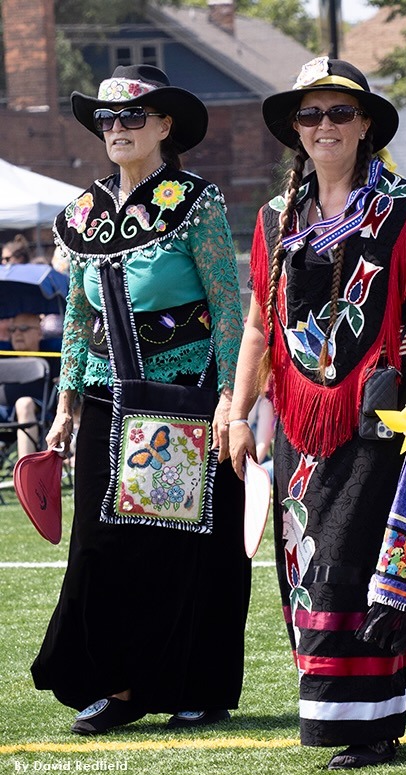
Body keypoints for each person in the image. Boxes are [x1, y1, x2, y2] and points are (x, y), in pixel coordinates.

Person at [228, 57, 406, 769]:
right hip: (299, 417)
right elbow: (260, 328)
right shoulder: (276, 217)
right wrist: (238, 414)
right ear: (296, 130)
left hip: (381, 410)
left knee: (353, 564)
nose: (324, 125)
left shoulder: (402, 206)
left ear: (364, 125)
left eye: (338, 113)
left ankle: (367, 726)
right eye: (310, 115)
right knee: (304, 564)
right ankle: (362, 717)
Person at [31, 64, 251, 735]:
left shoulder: (196, 201)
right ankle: (118, 687)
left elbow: (228, 305)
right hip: (104, 398)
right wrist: (66, 404)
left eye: (132, 118)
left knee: (184, 548)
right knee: (101, 546)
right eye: (107, 120)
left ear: (165, 127)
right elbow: (74, 315)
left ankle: (197, 686)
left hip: (185, 395)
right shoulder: (81, 214)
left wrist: (228, 402)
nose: (118, 129)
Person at [0, 313, 60, 458]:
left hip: (39, 413)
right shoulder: (3, 354)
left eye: (24, 328)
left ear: (39, 333)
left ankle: (26, 476)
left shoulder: (54, 356)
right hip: (4, 413)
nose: (17, 334)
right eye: (13, 330)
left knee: (23, 403)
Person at [1, 234, 32, 345]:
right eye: (2, 259)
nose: (4, 262)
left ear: (20, 258)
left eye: (7, 259)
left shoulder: (32, 279)